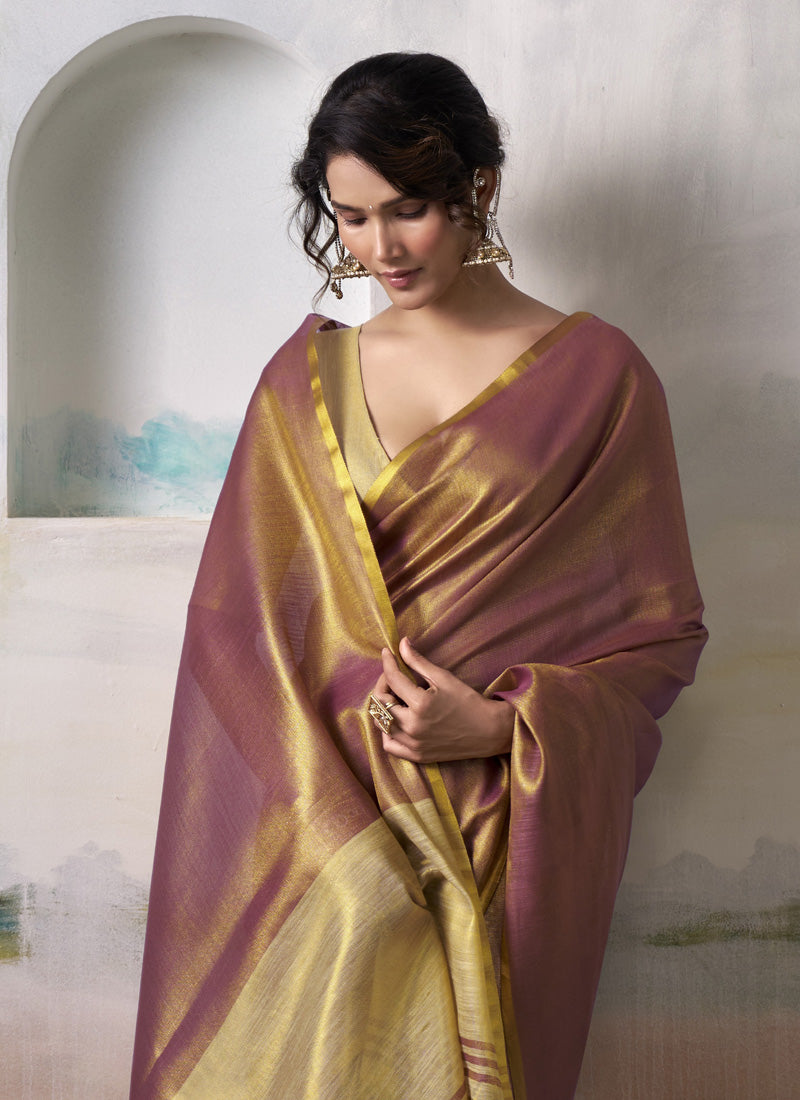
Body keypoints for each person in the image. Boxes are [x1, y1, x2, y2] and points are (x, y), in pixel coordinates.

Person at [129, 53, 707, 1100]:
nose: (380, 249)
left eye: (407, 210)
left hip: (496, 822)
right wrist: (335, 823)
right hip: (324, 824)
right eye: (349, 217)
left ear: (478, 186)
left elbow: (658, 634)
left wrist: (501, 726)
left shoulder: (601, 379)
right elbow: (236, 630)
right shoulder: (302, 384)